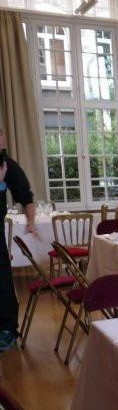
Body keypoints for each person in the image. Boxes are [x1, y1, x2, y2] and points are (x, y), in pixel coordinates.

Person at [0, 129, 38, 351]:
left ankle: (7, 330)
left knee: (3, 279)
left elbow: (26, 196)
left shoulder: (9, 166)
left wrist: (31, 222)